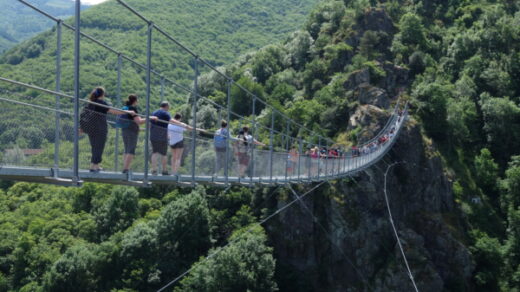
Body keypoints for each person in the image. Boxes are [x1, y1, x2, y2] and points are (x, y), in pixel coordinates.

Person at [81, 87, 134, 173]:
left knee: (95, 146)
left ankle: (96, 165)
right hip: (100, 128)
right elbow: (113, 111)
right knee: (99, 147)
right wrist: (127, 112)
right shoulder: (101, 103)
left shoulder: (91, 103)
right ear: (102, 94)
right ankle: (93, 166)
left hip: (91, 128)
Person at [120, 94, 157, 174]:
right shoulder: (132, 109)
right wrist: (150, 118)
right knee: (131, 150)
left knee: (126, 149)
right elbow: (139, 121)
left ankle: (125, 168)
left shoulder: (125, 108)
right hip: (131, 132)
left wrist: (144, 129)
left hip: (124, 130)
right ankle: (126, 169)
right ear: (135, 101)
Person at [150, 101, 172, 175]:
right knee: (164, 154)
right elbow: (171, 121)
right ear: (166, 106)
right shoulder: (165, 113)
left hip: (153, 135)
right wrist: (182, 124)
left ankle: (154, 170)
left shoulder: (154, 113)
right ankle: (164, 171)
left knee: (154, 152)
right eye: (168, 107)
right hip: (162, 136)